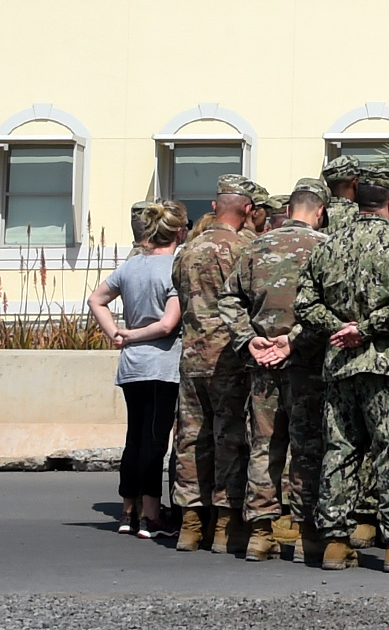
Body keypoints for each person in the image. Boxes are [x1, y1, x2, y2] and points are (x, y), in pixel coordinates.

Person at [294, 179, 389, 572]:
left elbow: (304, 302)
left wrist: (338, 327)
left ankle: (336, 544)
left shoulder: (329, 246)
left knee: (340, 451)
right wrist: (367, 327)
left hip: (341, 365)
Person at [219, 178, 329, 561]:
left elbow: (229, 299)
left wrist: (250, 340)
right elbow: (329, 309)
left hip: (262, 361)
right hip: (306, 364)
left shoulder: (256, 247)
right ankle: (303, 533)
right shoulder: (325, 248)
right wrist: (293, 340)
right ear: (319, 211)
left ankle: (260, 534)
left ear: (288, 211)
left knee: (264, 448)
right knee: (307, 447)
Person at [170, 174, 259, 552]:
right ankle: (225, 523)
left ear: (213, 207)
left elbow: (179, 291)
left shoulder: (188, 249)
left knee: (191, 439)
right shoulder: (244, 249)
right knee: (231, 438)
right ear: (249, 210)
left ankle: (190, 524)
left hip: (191, 357)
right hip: (230, 358)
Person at [90, 199, 187, 539]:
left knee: (135, 436)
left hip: (132, 365)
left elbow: (96, 299)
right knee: (155, 439)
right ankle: (150, 513)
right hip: (162, 363)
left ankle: (127, 510)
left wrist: (115, 333)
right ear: (179, 232)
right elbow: (167, 324)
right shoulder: (174, 268)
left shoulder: (130, 267)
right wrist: (131, 333)